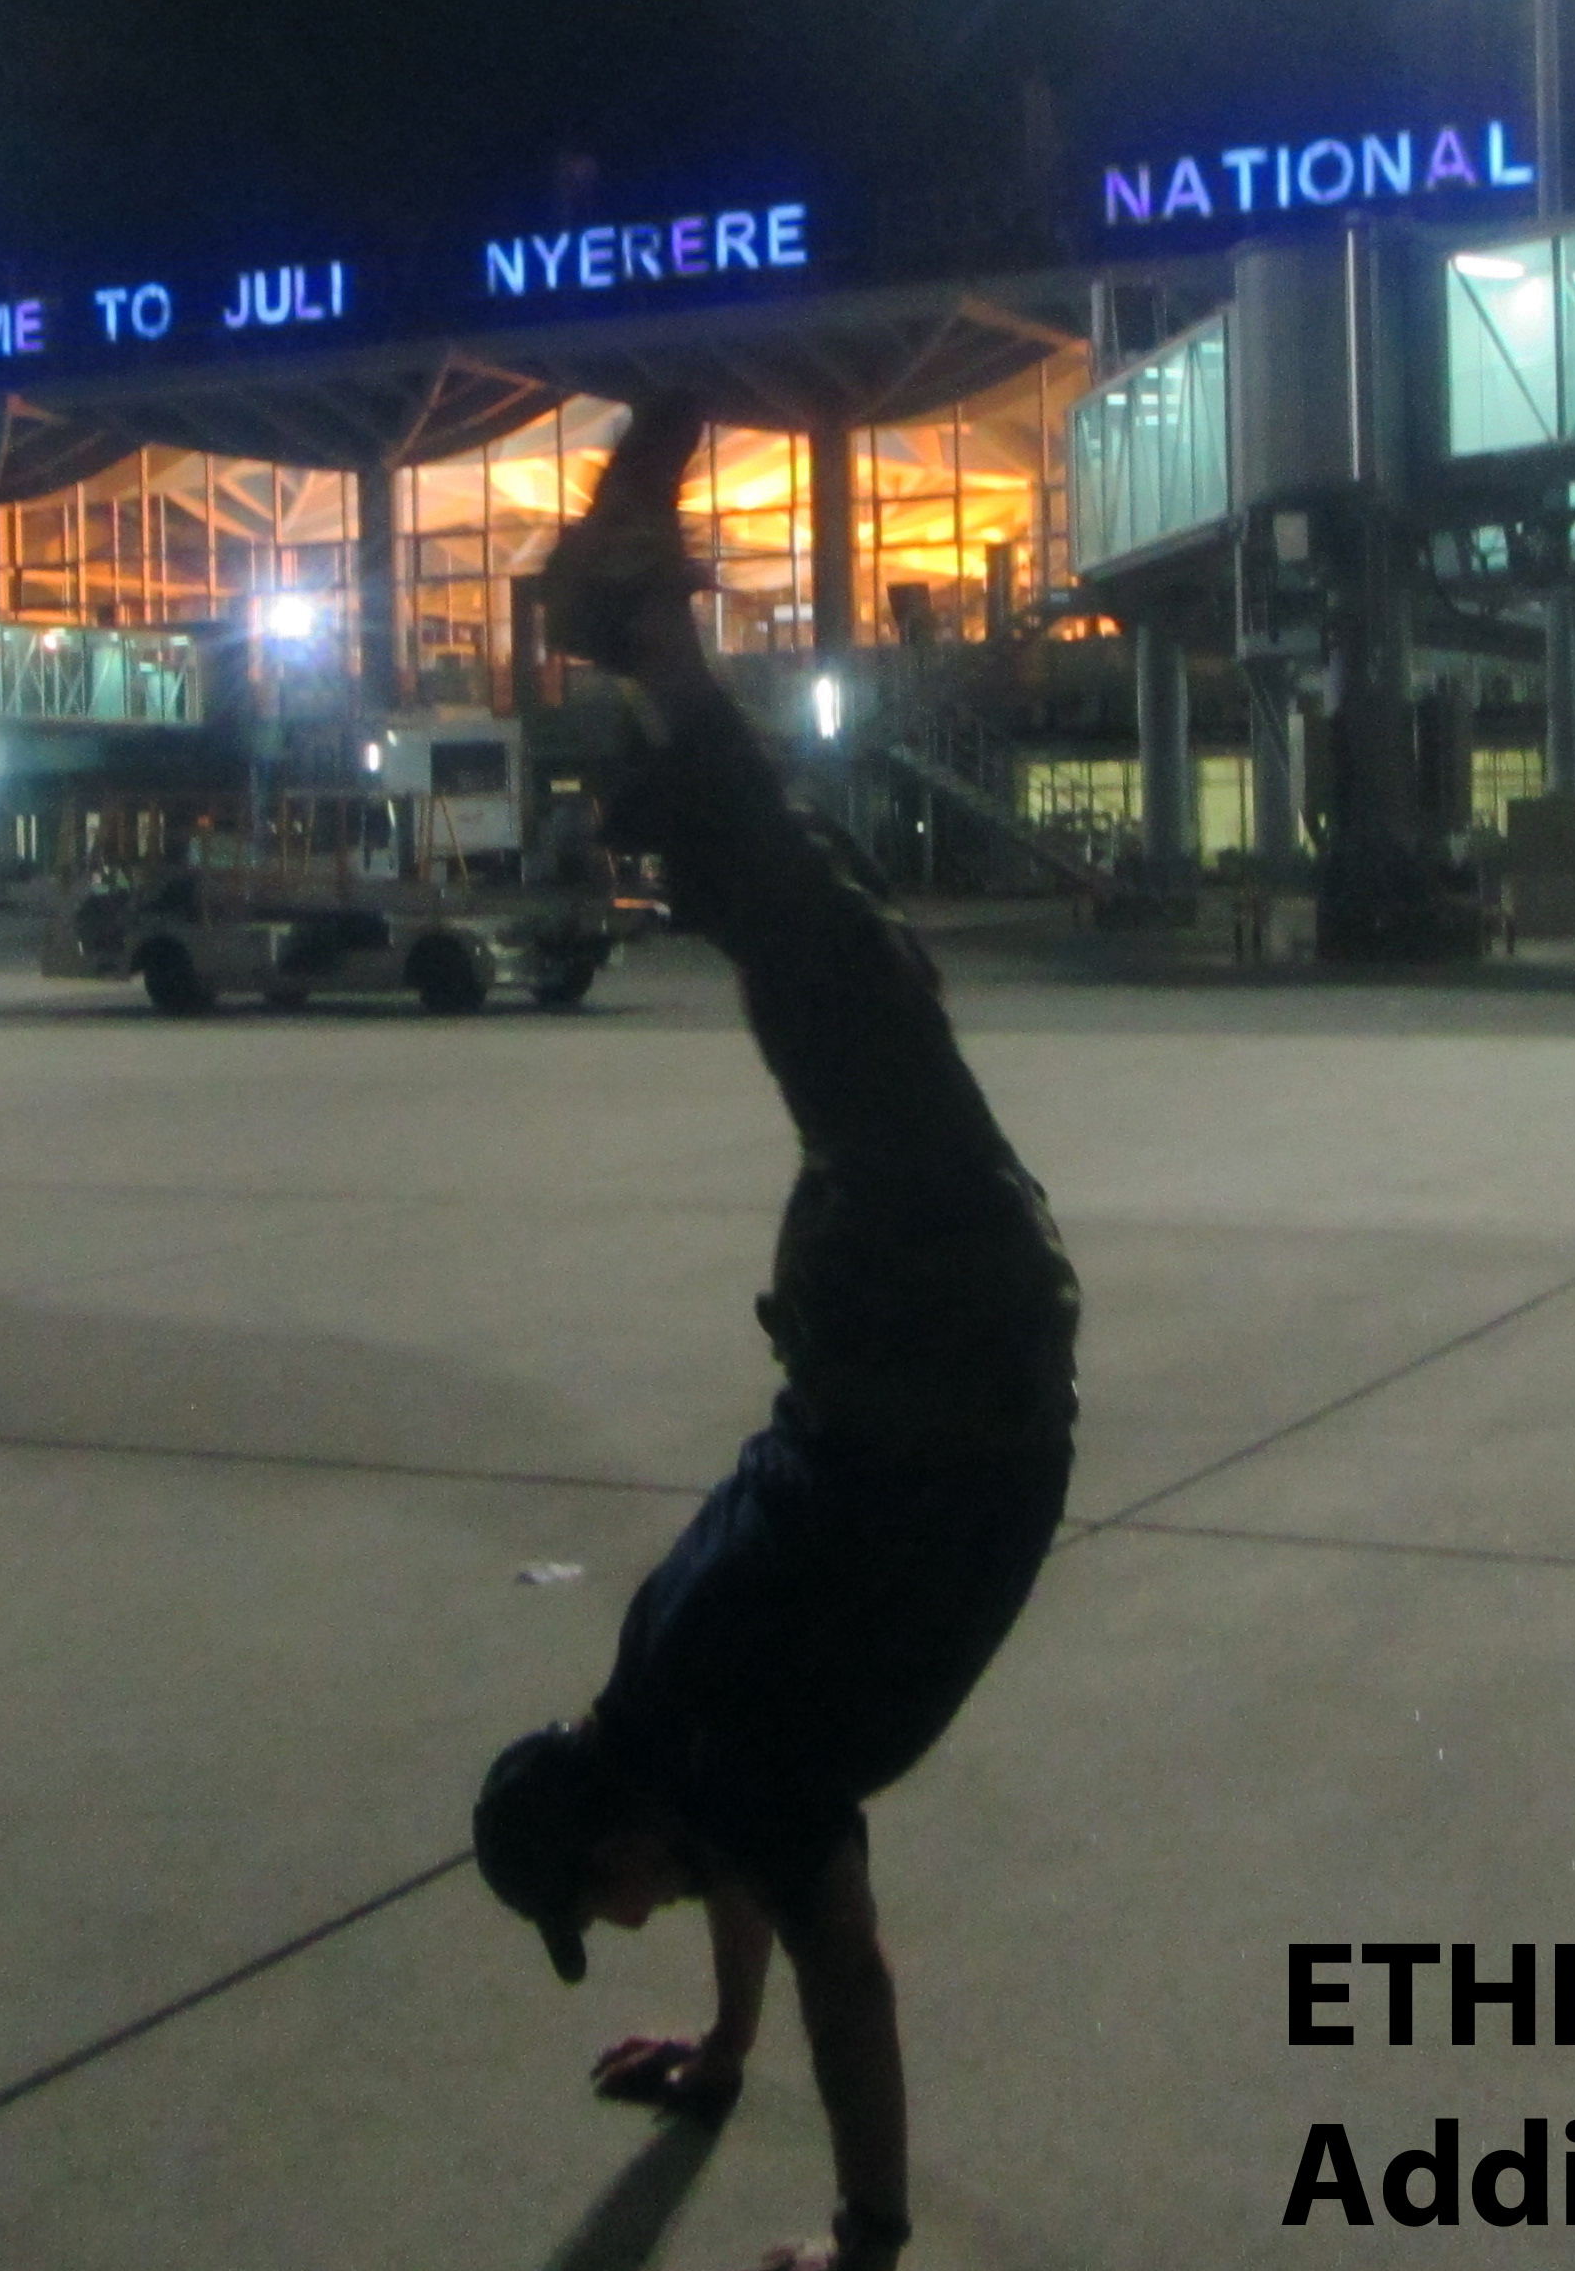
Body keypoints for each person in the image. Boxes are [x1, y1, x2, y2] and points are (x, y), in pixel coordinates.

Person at [472, 396, 1081, 2271]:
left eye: (602, 1911)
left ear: (618, 1839)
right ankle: (643, 642)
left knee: (830, 966)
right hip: (900, 1351)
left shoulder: (718, 1757)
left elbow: (847, 1972)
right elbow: (740, 1869)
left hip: (931, 1355)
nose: (626, 1926)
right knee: (830, 966)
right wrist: (723, 2054)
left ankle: (646, 637)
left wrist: (866, 2245)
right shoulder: (668, 1709)